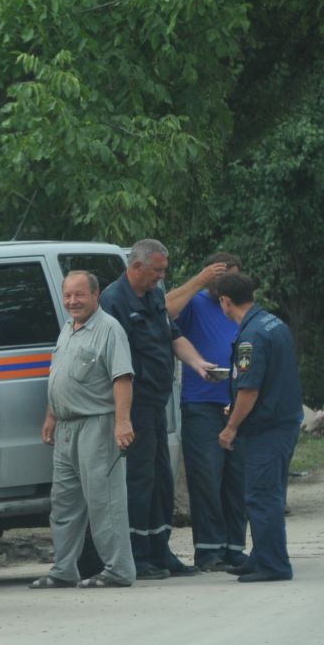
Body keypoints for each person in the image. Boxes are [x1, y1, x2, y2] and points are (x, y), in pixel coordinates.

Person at [101, 239, 224, 579]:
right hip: (134, 403)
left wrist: (199, 363)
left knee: (161, 480)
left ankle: (160, 549)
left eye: (163, 271)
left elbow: (174, 335)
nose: (161, 277)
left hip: (157, 402)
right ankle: (137, 555)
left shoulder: (154, 295)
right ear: (136, 267)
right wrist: (122, 417)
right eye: (157, 271)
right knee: (139, 480)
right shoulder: (114, 301)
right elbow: (118, 365)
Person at [34, 271, 137, 588]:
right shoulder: (68, 328)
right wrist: (51, 416)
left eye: (79, 295)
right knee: (64, 503)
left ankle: (119, 570)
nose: (72, 302)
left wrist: (122, 422)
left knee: (104, 502)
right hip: (66, 428)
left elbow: (122, 378)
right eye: (67, 295)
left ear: (96, 295)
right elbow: (61, 376)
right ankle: (63, 570)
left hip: (98, 425)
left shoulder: (109, 329)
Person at [214, 272, 303, 583]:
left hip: (267, 427)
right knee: (267, 493)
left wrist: (230, 426)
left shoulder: (251, 336)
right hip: (281, 419)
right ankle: (260, 556)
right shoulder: (272, 323)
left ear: (225, 301)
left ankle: (273, 565)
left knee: (261, 496)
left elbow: (249, 390)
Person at [167, 252, 250, 571]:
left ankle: (234, 547)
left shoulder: (239, 305)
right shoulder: (196, 300)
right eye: (222, 277)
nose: (227, 285)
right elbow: (164, 311)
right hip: (202, 402)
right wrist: (199, 280)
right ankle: (209, 551)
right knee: (207, 478)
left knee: (235, 478)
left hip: (239, 403)